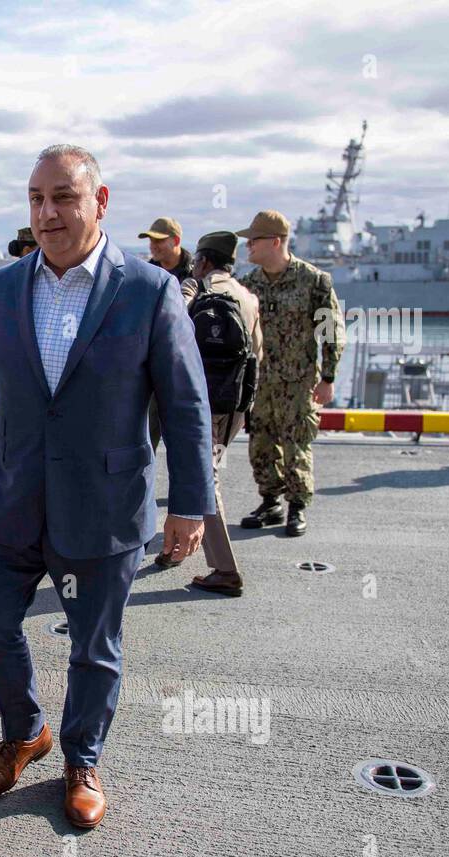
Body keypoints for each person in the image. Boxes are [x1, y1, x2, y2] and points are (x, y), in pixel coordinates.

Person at [0, 145, 215, 829]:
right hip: (8, 500)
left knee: (93, 649)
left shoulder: (149, 290)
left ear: (99, 202)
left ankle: (82, 757)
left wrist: (189, 503)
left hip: (103, 507)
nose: (48, 212)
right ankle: (25, 732)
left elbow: (187, 405)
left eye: (64, 197)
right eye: (36, 198)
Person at [236, 210, 345, 537]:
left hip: (298, 382)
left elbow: (330, 330)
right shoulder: (248, 284)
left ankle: (297, 506)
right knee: (261, 444)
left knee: (297, 444)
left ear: (275, 241)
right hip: (260, 382)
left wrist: (328, 377)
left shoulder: (314, 281)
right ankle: (270, 502)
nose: (248, 246)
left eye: (254, 240)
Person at [174, 231, 263, 597]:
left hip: (206, 404)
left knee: (206, 479)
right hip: (235, 404)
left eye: (196, 261)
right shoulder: (247, 296)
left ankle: (225, 570)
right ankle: (202, 556)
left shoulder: (202, 292)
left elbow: (173, 332)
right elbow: (257, 351)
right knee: (211, 470)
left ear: (205, 261)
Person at [141, 216, 196, 545]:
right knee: (143, 452)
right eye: (150, 240)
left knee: (186, 458)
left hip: (183, 380)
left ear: (176, 240)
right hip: (150, 382)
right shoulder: (147, 275)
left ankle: (185, 523)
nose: (154, 246)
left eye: (160, 240)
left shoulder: (195, 276)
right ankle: (142, 528)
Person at [141, 216, 195, 281]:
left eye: (158, 240)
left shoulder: (196, 273)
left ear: (176, 241)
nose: (153, 246)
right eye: (151, 241)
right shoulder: (147, 273)